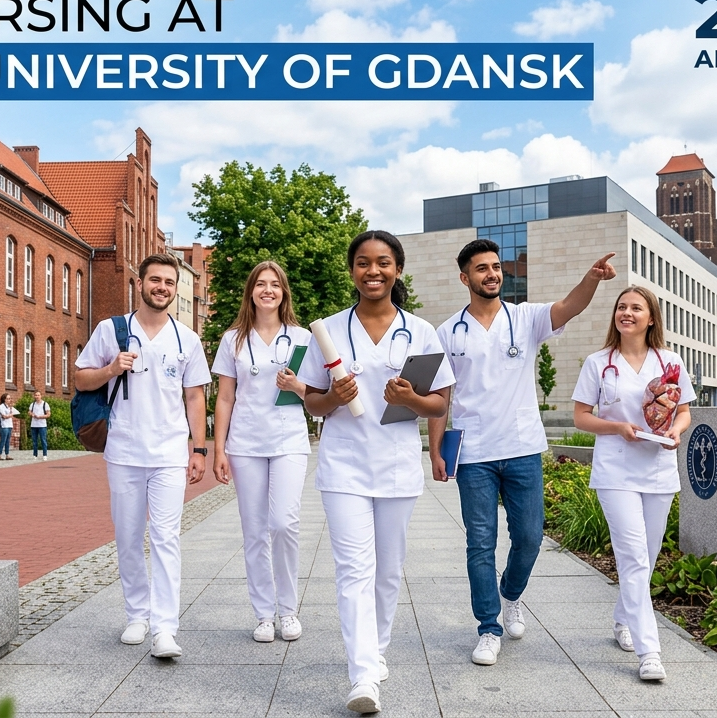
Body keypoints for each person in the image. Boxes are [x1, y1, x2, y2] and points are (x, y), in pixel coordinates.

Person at [426, 239, 616, 666]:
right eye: (481, 269)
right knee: (480, 543)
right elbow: (441, 395)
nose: (492, 274)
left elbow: (569, 307)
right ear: (465, 277)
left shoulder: (525, 317)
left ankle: (510, 594)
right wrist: (437, 450)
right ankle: (488, 627)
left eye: (496, 267)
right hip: (473, 451)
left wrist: (591, 279)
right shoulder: (447, 332)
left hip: (523, 446)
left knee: (530, 536)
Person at [298, 231, 454, 715]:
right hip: (344, 463)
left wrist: (409, 399)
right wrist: (333, 399)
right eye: (363, 263)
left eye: (383, 263)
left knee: (388, 570)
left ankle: (377, 648)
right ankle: (362, 674)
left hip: (396, 465)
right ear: (352, 271)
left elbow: (440, 402)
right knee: (353, 570)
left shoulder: (421, 332)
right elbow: (310, 398)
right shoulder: (326, 329)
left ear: (397, 271)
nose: (373, 271)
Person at [75, 253, 211, 660]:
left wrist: (199, 449)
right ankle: (138, 614)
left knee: (167, 538)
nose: (163, 288)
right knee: (129, 536)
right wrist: (111, 368)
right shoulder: (111, 331)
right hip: (124, 449)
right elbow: (81, 379)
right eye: (156, 281)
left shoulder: (187, 339)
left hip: (169, 452)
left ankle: (166, 627)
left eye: (170, 282)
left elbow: (195, 397)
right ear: (141, 284)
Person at [571, 286, 695, 682]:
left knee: (650, 552)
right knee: (633, 557)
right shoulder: (598, 363)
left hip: (659, 467)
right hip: (616, 469)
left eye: (635, 308)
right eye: (621, 307)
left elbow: (685, 412)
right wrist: (616, 428)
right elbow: (580, 417)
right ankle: (649, 651)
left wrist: (675, 432)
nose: (627, 313)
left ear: (651, 318)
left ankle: (624, 619)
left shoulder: (670, 361)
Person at [211, 261, 313, 644]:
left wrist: (299, 385)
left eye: (275, 285)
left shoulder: (303, 337)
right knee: (254, 530)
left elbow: (318, 392)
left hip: (288, 439)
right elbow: (224, 397)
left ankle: (288, 610)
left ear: (284, 292)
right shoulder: (233, 339)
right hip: (246, 443)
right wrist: (218, 449)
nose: (267, 290)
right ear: (251, 292)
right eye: (261, 284)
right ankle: (263, 614)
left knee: (284, 523)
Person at [29, 390, 51, 460]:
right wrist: (32, 414)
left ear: (41, 396)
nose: (37, 397)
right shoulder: (32, 404)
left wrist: (40, 417)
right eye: (36, 395)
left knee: (43, 440)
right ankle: (35, 454)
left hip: (42, 425)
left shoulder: (45, 404)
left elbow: (48, 414)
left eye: (38, 395)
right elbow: (29, 412)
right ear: (34, 396)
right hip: (34, 425)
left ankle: (45, 454)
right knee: (34, 441)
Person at [0, 394, 15, 460]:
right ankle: (0, 455)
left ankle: (7, 455)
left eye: (10, 398)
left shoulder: (8, 407)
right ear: (4, 399)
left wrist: (11, 412)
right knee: (3, 440)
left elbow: (9, 415)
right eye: (8, 398)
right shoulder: (1, 407)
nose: (9, 400)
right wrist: (11, 415)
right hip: (4, 426)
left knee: (8, 441)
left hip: (9, 425)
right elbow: (4, 416)